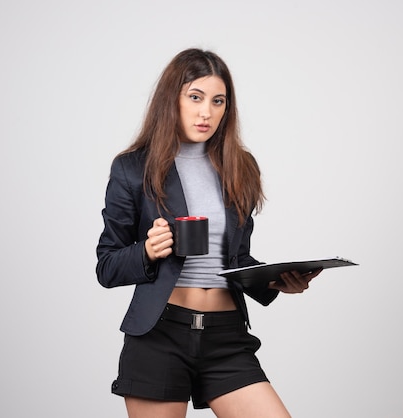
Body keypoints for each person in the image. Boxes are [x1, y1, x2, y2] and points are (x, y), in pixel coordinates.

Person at [96, 48, 322, 418]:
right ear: (172, 99)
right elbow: (106, 266)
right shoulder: (133, 168)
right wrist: (148, 251)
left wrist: (276, 281)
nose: (207, 112)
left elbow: (236, 258)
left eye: (218, 101)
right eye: (195, 97)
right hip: (160, 335)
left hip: (226, 336)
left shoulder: (239, 166)